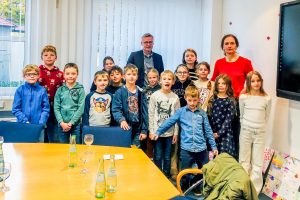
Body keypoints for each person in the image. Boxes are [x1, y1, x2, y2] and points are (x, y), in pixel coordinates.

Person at [151, 85, 218, 190]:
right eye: (189, 100)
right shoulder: (180, 112)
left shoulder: (202, 114)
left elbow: (209, 131)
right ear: (186, 98)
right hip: (186, 149)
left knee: (203, 170)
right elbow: (169, 122)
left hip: (201, 148)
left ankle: (197, 187)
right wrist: (158, 132)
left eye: (194, 100)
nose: (192, 103)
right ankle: (184, 188)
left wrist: (214, 147)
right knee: (184, 172)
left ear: (198, 100)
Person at [211, 34, 254, 156]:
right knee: (221, 133)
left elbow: (253, 80)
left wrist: (244, 90)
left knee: (236, 133)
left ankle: (236, 163)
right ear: (222, 47)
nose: (229, 46)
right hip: (220, 104)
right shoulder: (219, 63)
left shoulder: (245, 62)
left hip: (238, 104)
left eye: (232, 43)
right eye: (226, 43)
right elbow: (214, 81)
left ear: (236, 45)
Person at [239, 71, 272, 193]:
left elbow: (266, 117)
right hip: (246, 131)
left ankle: (254, 191)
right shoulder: (243, 97)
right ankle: (242, 187)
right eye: (253, 81)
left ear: (261, 82)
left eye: (258, 80)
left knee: (257, 162)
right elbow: (241, 115)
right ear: (248, 83)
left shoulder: (267, 99)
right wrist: (246, 127)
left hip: (260, 133)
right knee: (244, 160)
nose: (256, 83)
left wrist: (260, 128)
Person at [148, 70, 180, 178]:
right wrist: (152, 131)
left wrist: (175, 133)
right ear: (160, 81)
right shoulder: (154, 95)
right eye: (164, 79)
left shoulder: (175, 98)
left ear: (173, 82)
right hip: (157, 133)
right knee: (157, 156)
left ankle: (166, 176)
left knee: (167, 157)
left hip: (170, 134)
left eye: (169, 79)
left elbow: (177, 117)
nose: (167, 81)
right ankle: (157, 176)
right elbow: (151, 114)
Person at [112, 64, 148, 147]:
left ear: (137, 76)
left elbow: (145, 113)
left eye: (134, 74)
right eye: (129, 74)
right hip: (124, 126)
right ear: (124, 76)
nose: (131, 77)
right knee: (123, 151)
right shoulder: (119, 92)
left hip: (137, 129)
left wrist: (144, 130)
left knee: (135, 152)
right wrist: (121, 120)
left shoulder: (141, 93)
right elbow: (116, 109)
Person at [12, 64, 50, 141]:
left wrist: (41, 123)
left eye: (34, 74)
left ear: (38, 76)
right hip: (23, 125)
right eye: (29, 74)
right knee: (24, 149)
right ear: (24, 76)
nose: (32, 76)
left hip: (38, 127)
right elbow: (16, 109)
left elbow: (45, 109)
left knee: (38, 150)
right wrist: (24, 121)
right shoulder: (20, 90)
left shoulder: (42, 90)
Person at [54, 63, 85, 144]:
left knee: (74, 147)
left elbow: (81, 108)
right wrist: (61, 122)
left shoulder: (80, 90)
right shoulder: (60, 90)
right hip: (62, 125)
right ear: (64, 75)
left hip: (75, 125)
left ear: (77, 74)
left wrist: (71, 123)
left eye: (73, 73)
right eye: (67, 74)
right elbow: (56, 108)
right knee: (63, 147)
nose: (70, 76)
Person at [38, 45, 64, 143]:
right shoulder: (37, 72)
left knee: (53, 133)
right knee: (40, 132)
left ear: (56, 57)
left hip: (55, 107)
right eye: (46, 55)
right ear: (42, 57)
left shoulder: (61, 74)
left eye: (52, 55)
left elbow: (64, 90)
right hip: (40, 107)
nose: (49, 57)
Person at [207, 74, 236, 158]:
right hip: (212, 132)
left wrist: (219, 133)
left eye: (223, 83)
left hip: (225, 133)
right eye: (218, 83)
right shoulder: (212, 99)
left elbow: (228, 120)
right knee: (212, 157)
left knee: (223, 157)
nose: (221, 85)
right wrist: (211, 133)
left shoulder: (230, 101)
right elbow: (208, 116)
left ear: (228, 85)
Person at [143, 68, 161, 158]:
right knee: (148, 145)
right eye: (150, 78)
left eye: (154, 77)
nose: (152, 79)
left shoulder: (161, 89)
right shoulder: (145, 90)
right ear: (147, 78)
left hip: (158, 120)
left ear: (158, 78)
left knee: (157, 146)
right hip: (147, 119)